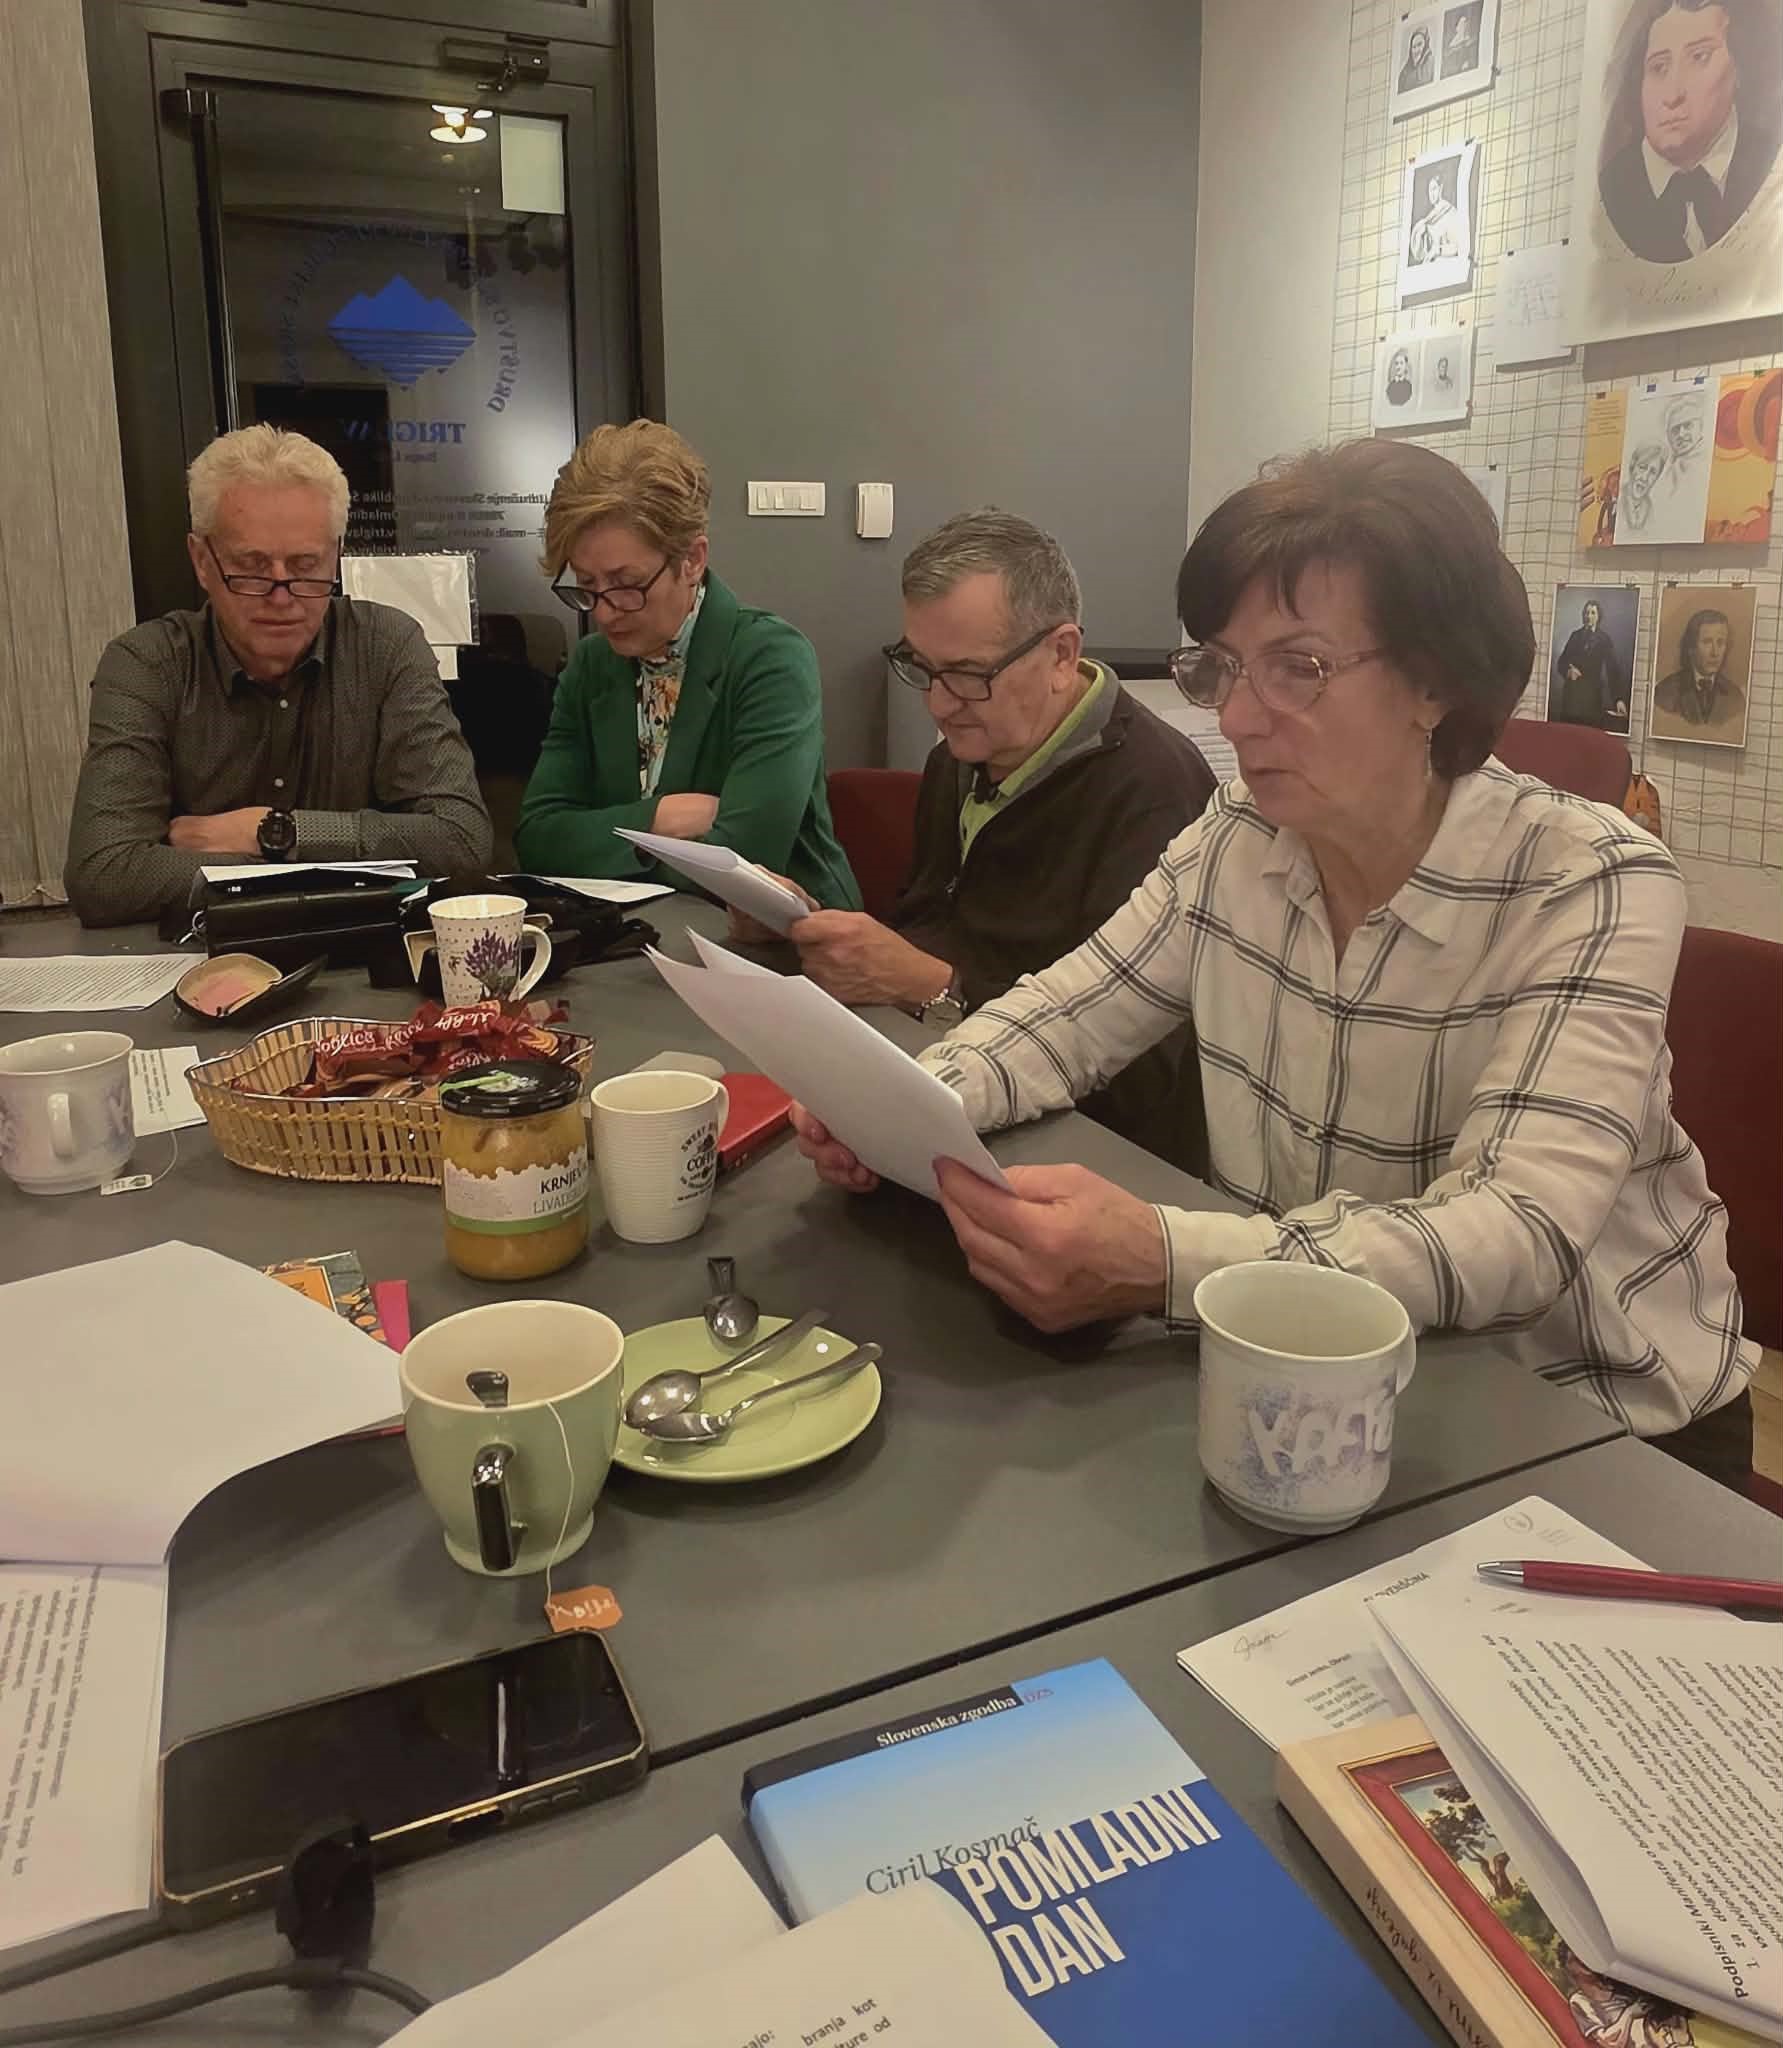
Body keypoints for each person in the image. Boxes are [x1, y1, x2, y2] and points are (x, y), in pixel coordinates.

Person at [794, 441, 1754, 1486]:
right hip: (1313, 1371)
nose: (1235, 716)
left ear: (1435, 680)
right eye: (1224, 665)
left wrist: (1164, 1259)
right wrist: (902, 1102)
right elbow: (1064, 1017)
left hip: (1590, 1421)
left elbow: (1512, 1233)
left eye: (1299, 666)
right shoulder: (1239, 835)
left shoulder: (1588, 878)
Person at [742, 510, 1217, 1166]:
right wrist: (810, 930)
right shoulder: (960, 757)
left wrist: (936, 987)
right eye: (921, 667)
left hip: (1089, 1155)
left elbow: (1138, 1072)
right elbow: (932, 922)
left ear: (1061, 655)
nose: (938, 704)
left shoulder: (1156, 792)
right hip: (949, 1086)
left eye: (969, 675)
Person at [63, 426, 491, 927]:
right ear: (202, 561)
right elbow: (104, 875)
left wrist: (275, 833)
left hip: (358, 954)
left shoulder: (387, 646)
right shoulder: (147, 664)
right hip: (200, 958)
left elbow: (462, 841)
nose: (282, 596)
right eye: (252, 567)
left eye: (306, 566)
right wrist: (337, 868)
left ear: (335, 555)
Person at [513, 420, 860, 909]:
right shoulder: (591, 664)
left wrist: (601, 840)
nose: (605, 613)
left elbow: (747, 857)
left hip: (785, 937)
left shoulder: (770, 658)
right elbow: (538, 838)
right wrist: (660, 818)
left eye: (626, 584)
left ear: (692, 560)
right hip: (637, 931)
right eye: (587, 586)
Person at [1597, 0, 1782, 264]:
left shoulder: (1771, 160)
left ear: (1739, 66)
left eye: (1699, 57)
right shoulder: (1613, 190)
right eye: (1659, 67)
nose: (1673, 95)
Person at [1653, 608, 1746, 732]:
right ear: (1691, 647)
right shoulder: (1665, 692)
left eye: (1720, 642)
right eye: (1707, 642)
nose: (1715, 652)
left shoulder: (1735, 696)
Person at [1551, 599, 1628, 726]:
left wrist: (1618, 699)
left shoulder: (1604, 639)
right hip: (1572, 697)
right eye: (1586, 613)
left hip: (1592, 698)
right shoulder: (1575, 636)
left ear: (1598, 617)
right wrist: (1568, 672)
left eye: (1593, 613)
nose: (1589, 616)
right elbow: (1561, 662)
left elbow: (1613, 671)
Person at [1409, 172, 1461, 263]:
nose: (1431, 193)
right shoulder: (1430, 218)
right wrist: (1420, 234)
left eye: (1434, 189)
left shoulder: (1450, 213)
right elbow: (1421, 254)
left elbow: (1457, 246)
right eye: (1429, 190)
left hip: (1445, 264)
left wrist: (1438, 250)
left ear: (1441, 189)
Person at [1442, 5, 1481, 75]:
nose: (1464, 25)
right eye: (1462, 23)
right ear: (1457, 27)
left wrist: (1468, 63)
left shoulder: (1471, 41)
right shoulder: (1451, 45)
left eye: (1466, 23)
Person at [1398, 24, 1435, 92]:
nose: (1416, 50)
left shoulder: (1431, 63)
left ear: (1426, 44)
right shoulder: (1405, 71)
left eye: (1419, 44)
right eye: (1414, 47)